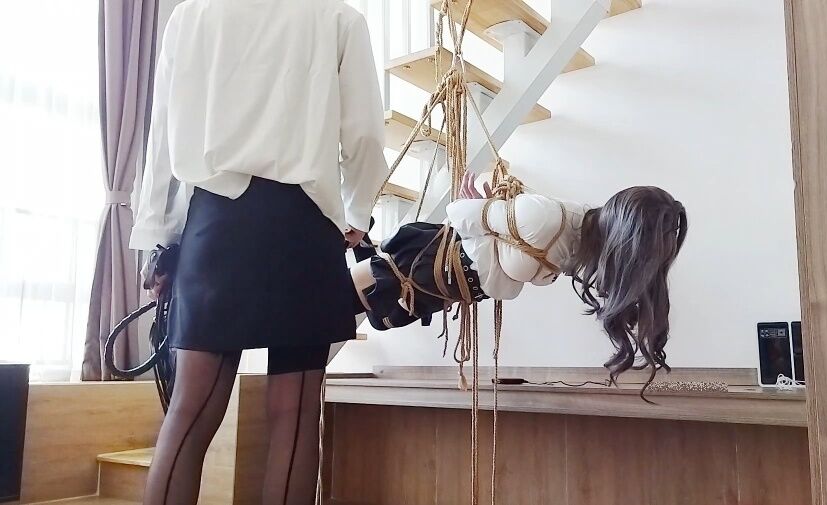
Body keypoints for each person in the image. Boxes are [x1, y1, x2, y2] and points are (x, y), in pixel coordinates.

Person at [130, 1, 388, 504]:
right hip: (303, 226)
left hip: (214, 226)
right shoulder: (338, 17)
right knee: (294, 416)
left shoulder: (191, 15)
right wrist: (357, 210)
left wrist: (160, 236)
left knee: (190, 411)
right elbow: (363, 135)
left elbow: (162, 136)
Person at [351, 173, 688, 381]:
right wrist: (484, 211)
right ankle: (354, 235)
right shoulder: (545, 218)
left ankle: (357, 242)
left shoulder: (582, 244)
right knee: (342, 299)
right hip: (425, 263)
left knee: (378, 320)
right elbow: (458, 212)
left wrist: (489, 222)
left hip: (451, 285)